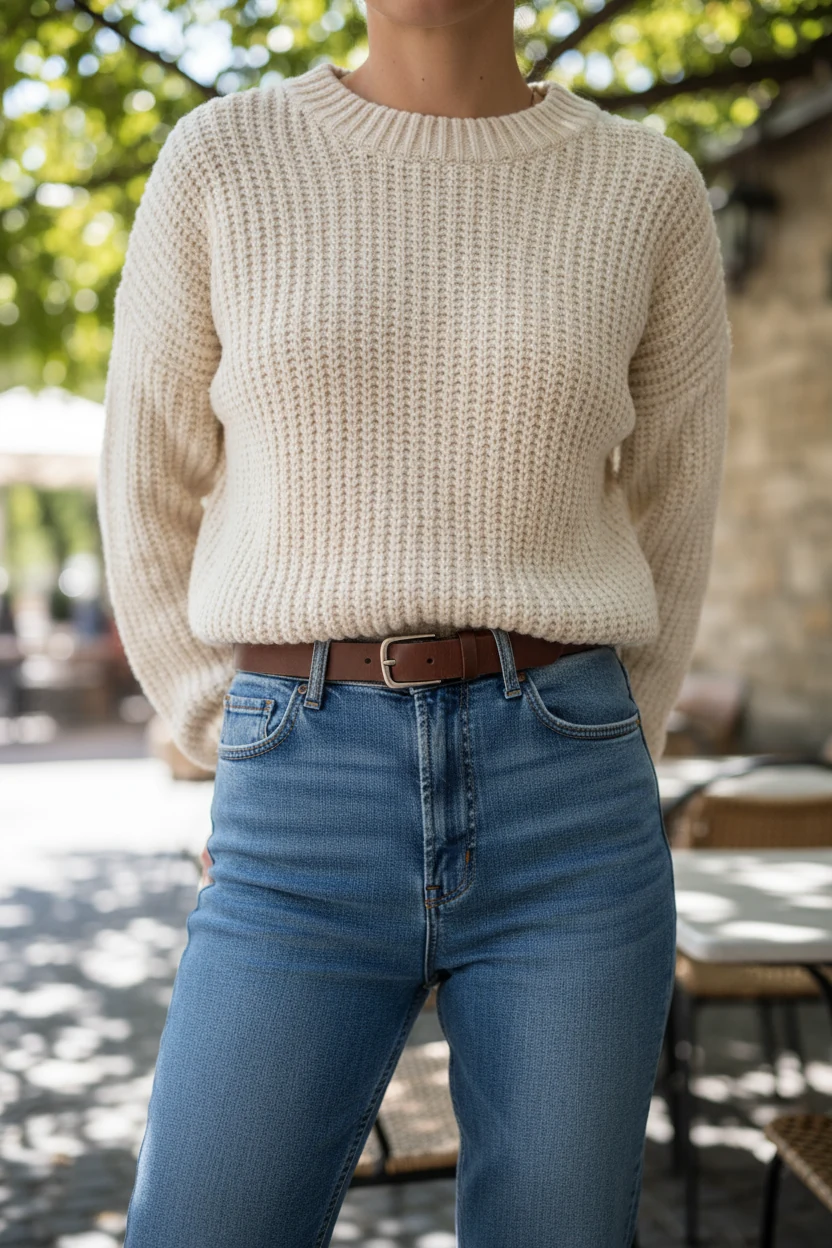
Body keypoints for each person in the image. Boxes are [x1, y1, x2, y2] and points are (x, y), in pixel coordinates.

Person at [97, 0, 731, 1241]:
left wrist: (605, 740)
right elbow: (146, 483)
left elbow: (673, 510)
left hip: (570, 812)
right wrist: (222, 730)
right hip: (300, 801)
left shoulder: (643, 186)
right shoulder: (222, 158)